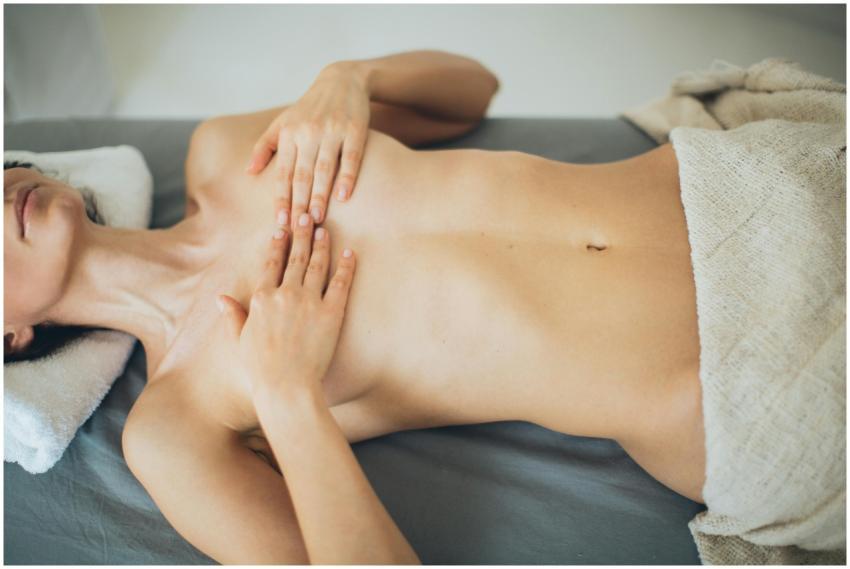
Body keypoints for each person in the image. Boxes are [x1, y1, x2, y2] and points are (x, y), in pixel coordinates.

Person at [3, 50, 705, 564]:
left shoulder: (224, 149)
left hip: (719, 182)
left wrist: (349, 79)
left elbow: (473, 91)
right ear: (9, 337)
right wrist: (287, 392)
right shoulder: (173, 426)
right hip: (723, 380)